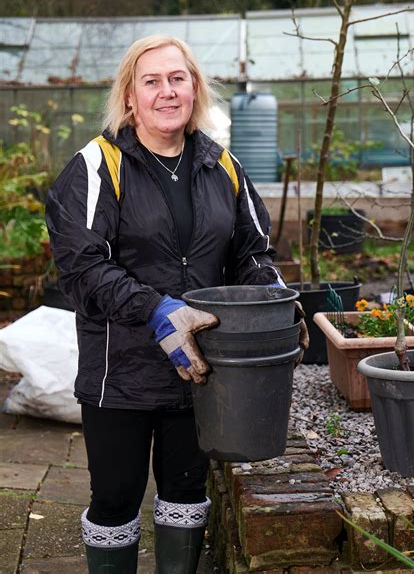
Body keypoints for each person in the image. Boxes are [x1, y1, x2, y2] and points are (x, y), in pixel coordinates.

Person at [46, 34, 308, 574]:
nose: (167, 91)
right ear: (130, 97)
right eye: (152, 81)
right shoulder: (97, 167)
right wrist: (157, 309)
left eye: (178, 78)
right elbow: (83, 268)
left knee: (186, 496)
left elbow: (252, 252)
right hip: (121, 373)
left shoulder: (221, 165)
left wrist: (274, 301)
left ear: (194, 89)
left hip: (200, 371)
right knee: (116, 498)